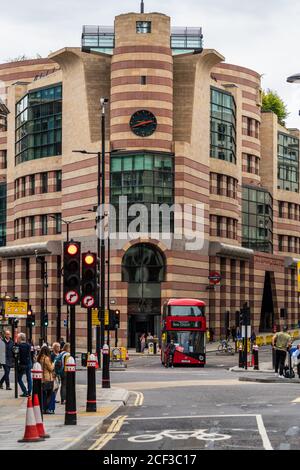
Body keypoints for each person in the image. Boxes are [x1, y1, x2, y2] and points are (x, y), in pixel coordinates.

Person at [37, 345, 54, 414]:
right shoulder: (46, 358)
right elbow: (51, 368)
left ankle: (43, 408)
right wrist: (53, 363)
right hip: (48, 378)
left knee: (43, 394)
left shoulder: (39, 358)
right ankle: (47, 409)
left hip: (41, 378)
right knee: (49, 395)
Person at [17, 332, 32, 397]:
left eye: (18, 338)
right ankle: (29, 392)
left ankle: (25, 391)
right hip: (28, 363)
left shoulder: (19, 346)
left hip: (22, 365)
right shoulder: (28, 345)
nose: (17, 339)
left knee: (19, 378)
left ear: (20, 338)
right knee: (29, 378)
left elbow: (17, 356)